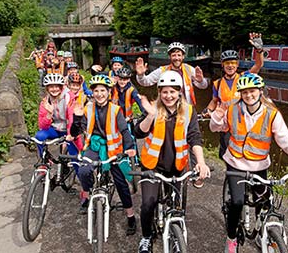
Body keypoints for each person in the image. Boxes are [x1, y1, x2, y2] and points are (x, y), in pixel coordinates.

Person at [208, 73, 288, 253]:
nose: (249, 95)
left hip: (260, 165)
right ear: (240, 93)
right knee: (237, 202)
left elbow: (286, 141)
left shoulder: (272, 114)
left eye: (253, 91)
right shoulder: (232, 109)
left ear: (260, 91)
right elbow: (216, 128)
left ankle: (260, 234)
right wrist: (217, 116)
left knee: (263, 203)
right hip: (236, 163)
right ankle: (231, 238)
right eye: (245, 92)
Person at [133, 70, 211, 253]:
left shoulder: (189, 111)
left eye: (172, 91)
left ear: (179, 92)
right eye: (164, 92)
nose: (168, 96)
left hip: (177, 166)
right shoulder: (153, 108)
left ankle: (176, 235)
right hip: (152, 165)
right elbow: (138, 133)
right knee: (147, 204)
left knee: (178, 206)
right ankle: (146, 238)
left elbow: (195, 138)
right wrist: (150, 115)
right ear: (159, 92)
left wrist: (201, 162)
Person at [70, 74, 137, 236]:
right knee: (84, 171)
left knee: (121, 182)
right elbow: (75, 132)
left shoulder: (115, 110)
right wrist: (77, 118)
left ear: (108, 92)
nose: (99, 94)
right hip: (94, 147)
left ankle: (131, 216)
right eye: (96, 91)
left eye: (103, 90)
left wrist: (129, 147)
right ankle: (88, 194)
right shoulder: (87, 108)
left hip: (113, 149)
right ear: (92, 92)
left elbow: (124, 131)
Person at [203, 33, 264, 161]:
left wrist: (259, 50)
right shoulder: (217, 83)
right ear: (223, 65)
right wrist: (208, 110)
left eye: (233, 63)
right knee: (226, 154)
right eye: (227, 63)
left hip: (243, 122)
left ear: (237, 65)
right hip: (225, 124)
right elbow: (214, 101)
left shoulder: (243, 78)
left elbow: (258, 65)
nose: (230, 66)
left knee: (244, 153)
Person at [135, 42, 208, 106]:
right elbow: (146, 82)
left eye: (179, 55)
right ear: (170, 56)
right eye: (174, 55)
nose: (177, 58)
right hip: (168, 108)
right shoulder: (162, 70)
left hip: (186, 106)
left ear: (183, 56)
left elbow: (203, 86)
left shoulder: (189, 69)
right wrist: (141, 75)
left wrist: (201, 81)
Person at [35, 73, 79, 172]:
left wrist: (70, 135)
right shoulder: (46, 102)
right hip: (55, 129)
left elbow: (72, 118)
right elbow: (42, 125)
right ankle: (44, 160)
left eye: (56, 86)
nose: (54, 89)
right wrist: (49, 114)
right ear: (47, 88)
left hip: (68, 130)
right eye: (51, 87)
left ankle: (84, 184)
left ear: (61, 87)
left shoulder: (68, 98)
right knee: (39, 136)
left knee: (74, 158)